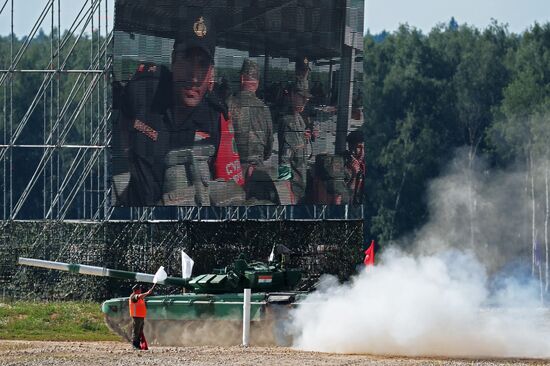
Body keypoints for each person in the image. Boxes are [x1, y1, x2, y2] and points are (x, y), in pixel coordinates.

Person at [113, 12, 243, 206]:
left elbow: (231, 189)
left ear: (211, 73)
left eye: (202, 64)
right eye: (187, 59)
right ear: (173, 60)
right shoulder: (143, 91)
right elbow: (120, 119)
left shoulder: (216, 117)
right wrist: (126, 155)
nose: (194, 76)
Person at [227, 59, 273, 180]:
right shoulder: (264, 109)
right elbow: (269, 146)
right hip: (258, 171)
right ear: (257, 83)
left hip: (233, 171)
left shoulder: (228, 105)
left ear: (242, 79)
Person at [278, 80, 311, 203]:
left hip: (300, 186)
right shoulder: (289, 122)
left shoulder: (298, 118)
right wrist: (286, 193)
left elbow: (295, 147)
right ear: (292, 95)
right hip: (293, 190)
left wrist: (304, 138)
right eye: (301, 97)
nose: (305, 101)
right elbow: (284, 161)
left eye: (306, 98)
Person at [129, 284, 154, 350]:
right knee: (136, 331)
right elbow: (139, 296)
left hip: (140, 316)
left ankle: (138, 345)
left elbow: (141, 297)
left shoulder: (140, 297)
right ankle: (135, 345)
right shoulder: (133, 296)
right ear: (136, 290)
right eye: (139, 289)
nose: (140, 290)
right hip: (136, 317)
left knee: (139, 332)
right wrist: (147, 293)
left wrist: (147, 293)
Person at [344, 130, 365, 204]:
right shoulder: (348, 163)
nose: (352, 151)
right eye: (350, 148)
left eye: (362, 147)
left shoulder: (361, 164)